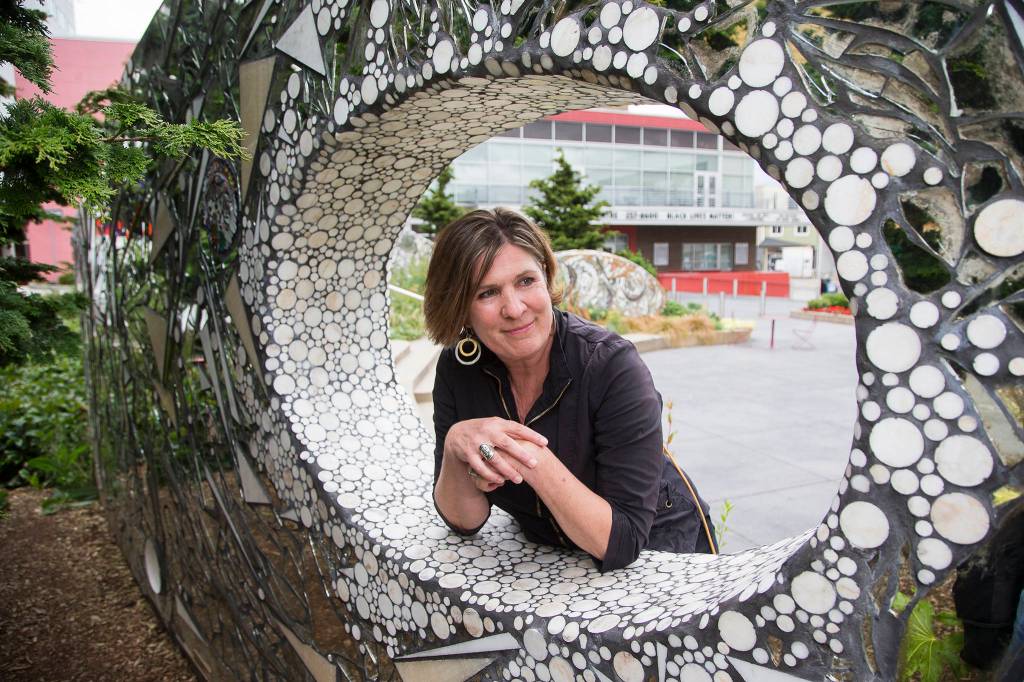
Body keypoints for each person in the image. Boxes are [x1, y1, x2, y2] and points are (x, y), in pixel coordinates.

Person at [424, 208, 715, 572]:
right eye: (487, 292)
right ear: (459, 308)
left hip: (660, 550)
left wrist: (530, 458)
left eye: (526, 281)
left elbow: (621, 542)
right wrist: (455, 446)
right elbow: (464, 521)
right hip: (558, 560)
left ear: (546, 278)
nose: (514, 308)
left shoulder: (611, 366)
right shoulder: (459, 369)